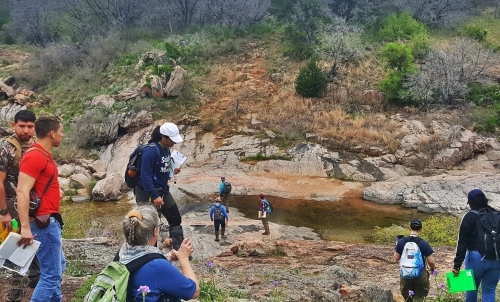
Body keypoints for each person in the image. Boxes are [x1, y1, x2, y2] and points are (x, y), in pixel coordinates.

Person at [16, 115, 66, 302]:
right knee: (51, 274)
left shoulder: (44, 154)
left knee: (58, 266)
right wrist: (25, 227)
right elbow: (22, 191)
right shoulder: (34, 156)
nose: (62, 135)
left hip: (48, 219)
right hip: (42, 223)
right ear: (52, 133)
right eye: (61, 131)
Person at [119, 205, 199, 301]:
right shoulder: (157, 266)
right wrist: (184, 258)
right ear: (155, 231)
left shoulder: (122, 253)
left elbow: (140, 263)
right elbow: (193, 291)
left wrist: (169, 256)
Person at [0, 110, 40, 302]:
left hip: (35, 205)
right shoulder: (6, 148)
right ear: (13, 125)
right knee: (17, 245)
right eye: (21, 126)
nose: (25, 130)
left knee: (37, 242)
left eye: (30, 126)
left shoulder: (38, 146)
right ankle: (16, 289)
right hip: (11, 204)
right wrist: (4, 212)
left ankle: (36, 284)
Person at [134, 122, 186, 251]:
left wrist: (172, 170)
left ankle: (179, 251)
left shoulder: (166, 150)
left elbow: (162, 173)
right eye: (172, 139)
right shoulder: (150, 151)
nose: (174, 142)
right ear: (164, 137)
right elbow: (145, 177)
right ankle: (151, 254)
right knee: (150, 225)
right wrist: (155, 196)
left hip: (162, 191)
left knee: (175, 218)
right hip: (147, 193)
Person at [452, 189, 500, 302]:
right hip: (497, 258)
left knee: (471, 288)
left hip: (476, 258)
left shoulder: (469, 216)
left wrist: (457, 265)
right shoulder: (497, 215)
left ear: (470, 203)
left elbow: (462, 242)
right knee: (489, 291)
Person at [394, 219, 436, 302]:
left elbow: (396, 258)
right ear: (420, 229)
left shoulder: (402, 242)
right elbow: (431, 261)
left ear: (409, 228)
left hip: (405, 273)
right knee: (419, 297)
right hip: (420, 274)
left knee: (408, 297)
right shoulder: (423, 243)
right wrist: (432, 268)